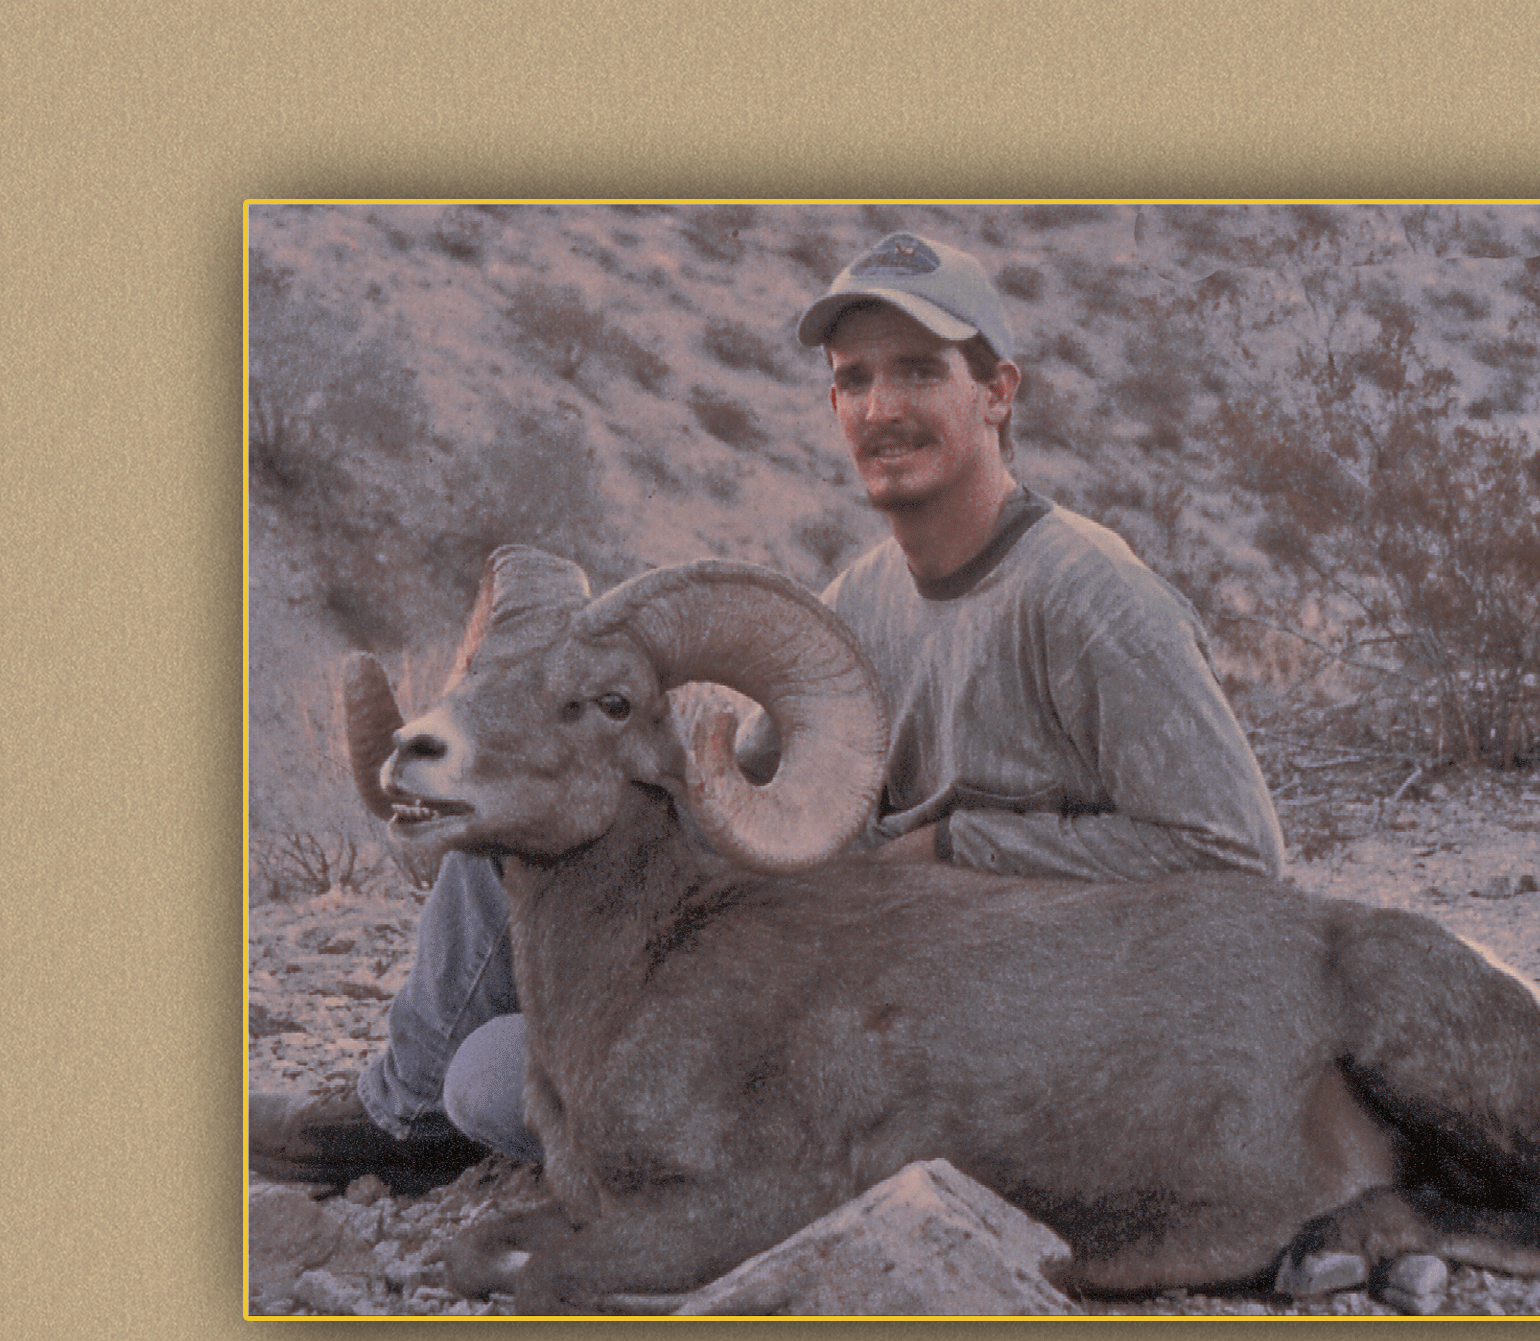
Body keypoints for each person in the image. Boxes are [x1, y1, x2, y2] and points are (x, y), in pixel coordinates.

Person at [250, 230, 1286, 1192]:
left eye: (920, 371)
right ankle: (400, 1113)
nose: (881, 406)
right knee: (547, 800)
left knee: (492, 1078)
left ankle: (670, 1158)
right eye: (854, 380)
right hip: (854, 965)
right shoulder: (859, 598)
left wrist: (955, 844)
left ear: (999, 392)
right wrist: (579, 764)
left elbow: (1235, 856)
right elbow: (740, 806)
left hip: (1000, 1009)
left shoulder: (1091, 598)